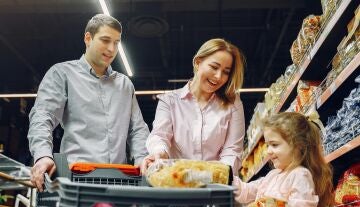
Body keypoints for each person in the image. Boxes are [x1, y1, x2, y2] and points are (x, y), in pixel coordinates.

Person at [28, 14, 149, 191]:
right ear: (88, 38)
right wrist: (42, 155)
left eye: (116, 42)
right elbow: (42, 116)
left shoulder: (124, 85)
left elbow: (137, 128)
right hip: (76, 182)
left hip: (119, 183)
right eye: (105, 40)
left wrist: (142, 159)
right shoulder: (62, 74)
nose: (111, 48)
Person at [234, 112, 333, 207]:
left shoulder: (300, 176)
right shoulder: (273, 175)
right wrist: (219, 174)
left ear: (298, 145)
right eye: (267, 145)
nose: (268, 151)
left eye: (274, 145)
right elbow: (245, 191)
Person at [143, 38, 246, 175]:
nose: (218, 76)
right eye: (214, 67)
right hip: (177, 184)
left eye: (226, 72)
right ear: (198, 62)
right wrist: (159, 153)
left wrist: (215, 175)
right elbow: (159, 136)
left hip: (216, 187)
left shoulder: (233, 103)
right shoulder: (169, 101)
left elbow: (233, 150)